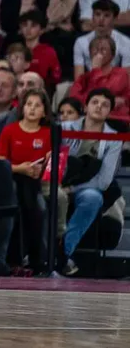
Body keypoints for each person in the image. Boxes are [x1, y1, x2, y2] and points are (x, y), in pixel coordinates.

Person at [60, 88, 122, 275]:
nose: (99, 107)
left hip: (86, 187)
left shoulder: (114, 138)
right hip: (58, 181)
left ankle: (63, 253)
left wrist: (72, 188)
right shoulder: (65, 128)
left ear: (109, 112)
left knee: (93, 198)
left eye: (105, 105)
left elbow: (103, 181)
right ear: (86, 107)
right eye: (95, 102)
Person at [0, 88, 52, 271]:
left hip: (39, 182)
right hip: (12, 180)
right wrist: (21, 168)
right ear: (22, 108)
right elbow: (1, 164)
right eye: (29, 104)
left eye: (37, 105)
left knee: (40, 206)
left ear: (44, 111)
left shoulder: (49, 133)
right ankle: (20, 258)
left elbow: (53, 166)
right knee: (23, 199)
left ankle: (40, 258)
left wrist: (43, 168)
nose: (32, 109)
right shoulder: (9, 130)